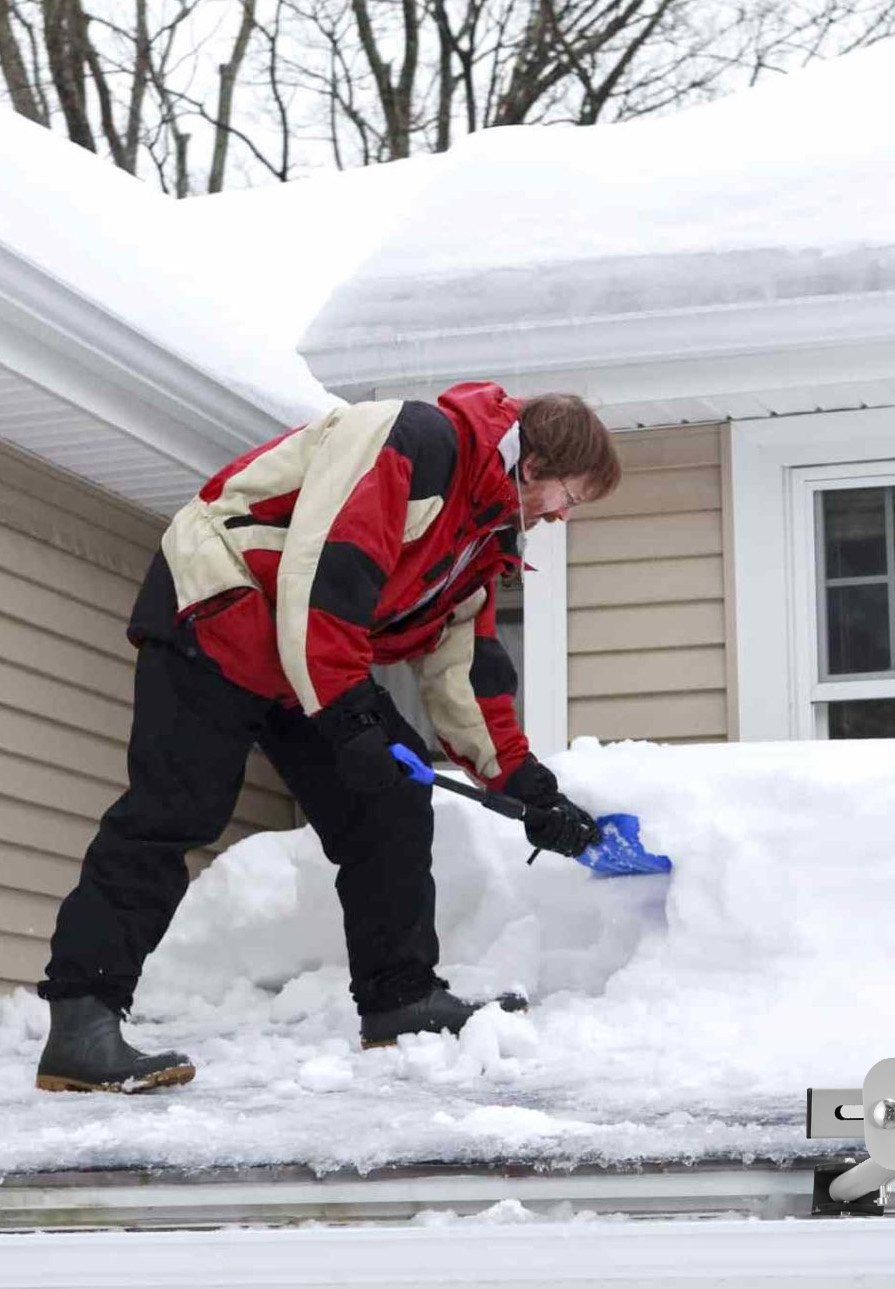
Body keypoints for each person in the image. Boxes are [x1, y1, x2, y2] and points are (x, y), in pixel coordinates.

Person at [34, 382, 620, 1093]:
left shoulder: (483, 534)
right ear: (534, 466)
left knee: (393, 802)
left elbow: (465, 675)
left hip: (300, 655)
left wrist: (529, 790)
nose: (563, 517)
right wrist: (349, 718)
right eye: (571, 497)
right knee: (176, 811)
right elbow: (326, 573)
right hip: (221, 606)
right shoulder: (418, 441)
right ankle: (82, 1022)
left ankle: (400, 998)